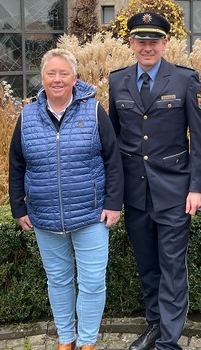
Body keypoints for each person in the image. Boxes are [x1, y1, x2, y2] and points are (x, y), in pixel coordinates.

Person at [8, 48, 124, 350]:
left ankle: (87, 342)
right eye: (51, 73)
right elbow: (16, 163)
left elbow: (113, 159)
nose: (57, 79)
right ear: (42, 78)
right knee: (58, 281)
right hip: (45, 216)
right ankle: (65, 339)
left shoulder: (93, 110)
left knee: (92, 282)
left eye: (63, 73)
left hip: (90, 215)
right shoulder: (27, 114)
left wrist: (113, 203)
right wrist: (18, 205)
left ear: (75, 77)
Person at [108, 12, 201, 350]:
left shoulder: (184, 80)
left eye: (154, 41)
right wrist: (114, 193)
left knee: (172, 268)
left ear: (165, 43)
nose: (147, 47)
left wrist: (197, 187)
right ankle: (154, 325)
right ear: (131, 43)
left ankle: (168, 340)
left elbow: (199, 139)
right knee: (148, 266)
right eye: (141, 41)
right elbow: (115, 139)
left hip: (174, 191)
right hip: (136, 193)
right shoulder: (117, 81)